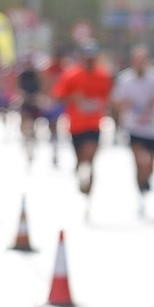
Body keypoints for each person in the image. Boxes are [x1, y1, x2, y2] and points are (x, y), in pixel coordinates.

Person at [112, 45, 154, 218]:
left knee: (150, 164)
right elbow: (116, 101)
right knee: (139, 161)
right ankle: (140, 191)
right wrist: (125, 105)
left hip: (151, 128)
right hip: (134, 127)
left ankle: (146, 180)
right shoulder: (125, 80)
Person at [52, 43, 116, 207]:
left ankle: (89, 192)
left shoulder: (103, 75)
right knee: (81, 159)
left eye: (92, 57)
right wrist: (74, 98)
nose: (90, 60)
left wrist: (103, 105)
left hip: (95, 124)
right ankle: (80, 172)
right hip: (75, 125)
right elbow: (58, 95)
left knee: (91, 156)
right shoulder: (71, 75)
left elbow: (110, 98)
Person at [16, 56, 45, 165]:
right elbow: (18, 88)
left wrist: (37, 97)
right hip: (25, 102)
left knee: (34, 125)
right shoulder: (22, 75)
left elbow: (41, 87)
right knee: (25, 124)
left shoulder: (36, 75)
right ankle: (26, 141)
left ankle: (32, 143)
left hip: (34, 102)